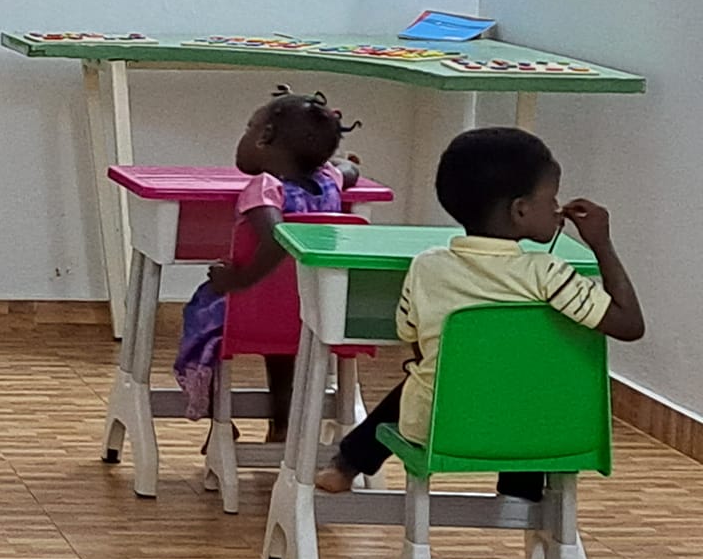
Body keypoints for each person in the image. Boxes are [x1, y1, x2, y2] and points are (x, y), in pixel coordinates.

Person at [318, 127, 644, 498]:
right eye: (551, 198)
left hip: (441, 425)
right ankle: (519, 500)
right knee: (529, 399)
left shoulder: (427, 266)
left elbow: (409, 333)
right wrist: (602, 244)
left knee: (424, 380)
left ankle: (346, 464)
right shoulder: (549, 274)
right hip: (532, 433)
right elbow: (629, 324)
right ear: (520, 210)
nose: (558, 208)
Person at [174, 88, 361, 436]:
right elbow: (349, 169)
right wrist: (333, 158)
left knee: (200, 319)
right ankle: (282, 425)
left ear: (265, 137)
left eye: (250, 127)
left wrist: (239, 280)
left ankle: (217, 420)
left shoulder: (265, 188)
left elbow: (279, 238)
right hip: (311, 312)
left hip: (254, 311)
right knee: (281, 352)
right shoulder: (329, 181)